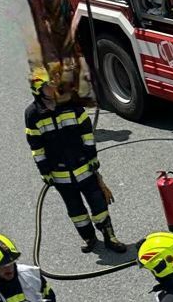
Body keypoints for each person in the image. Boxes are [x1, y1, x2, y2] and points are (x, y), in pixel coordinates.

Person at [24, 65, 126, 255]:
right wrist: (45, 172)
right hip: (61, 175)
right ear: (38, 89)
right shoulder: (32, 115)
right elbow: (36, 148)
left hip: (84, 167)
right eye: (49, 86)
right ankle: (89, 238)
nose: (54, 89)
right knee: (76, 211)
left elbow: (87, 133)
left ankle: (110, 236)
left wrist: (92, 158)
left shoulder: (70, 104)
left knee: (98, 204)